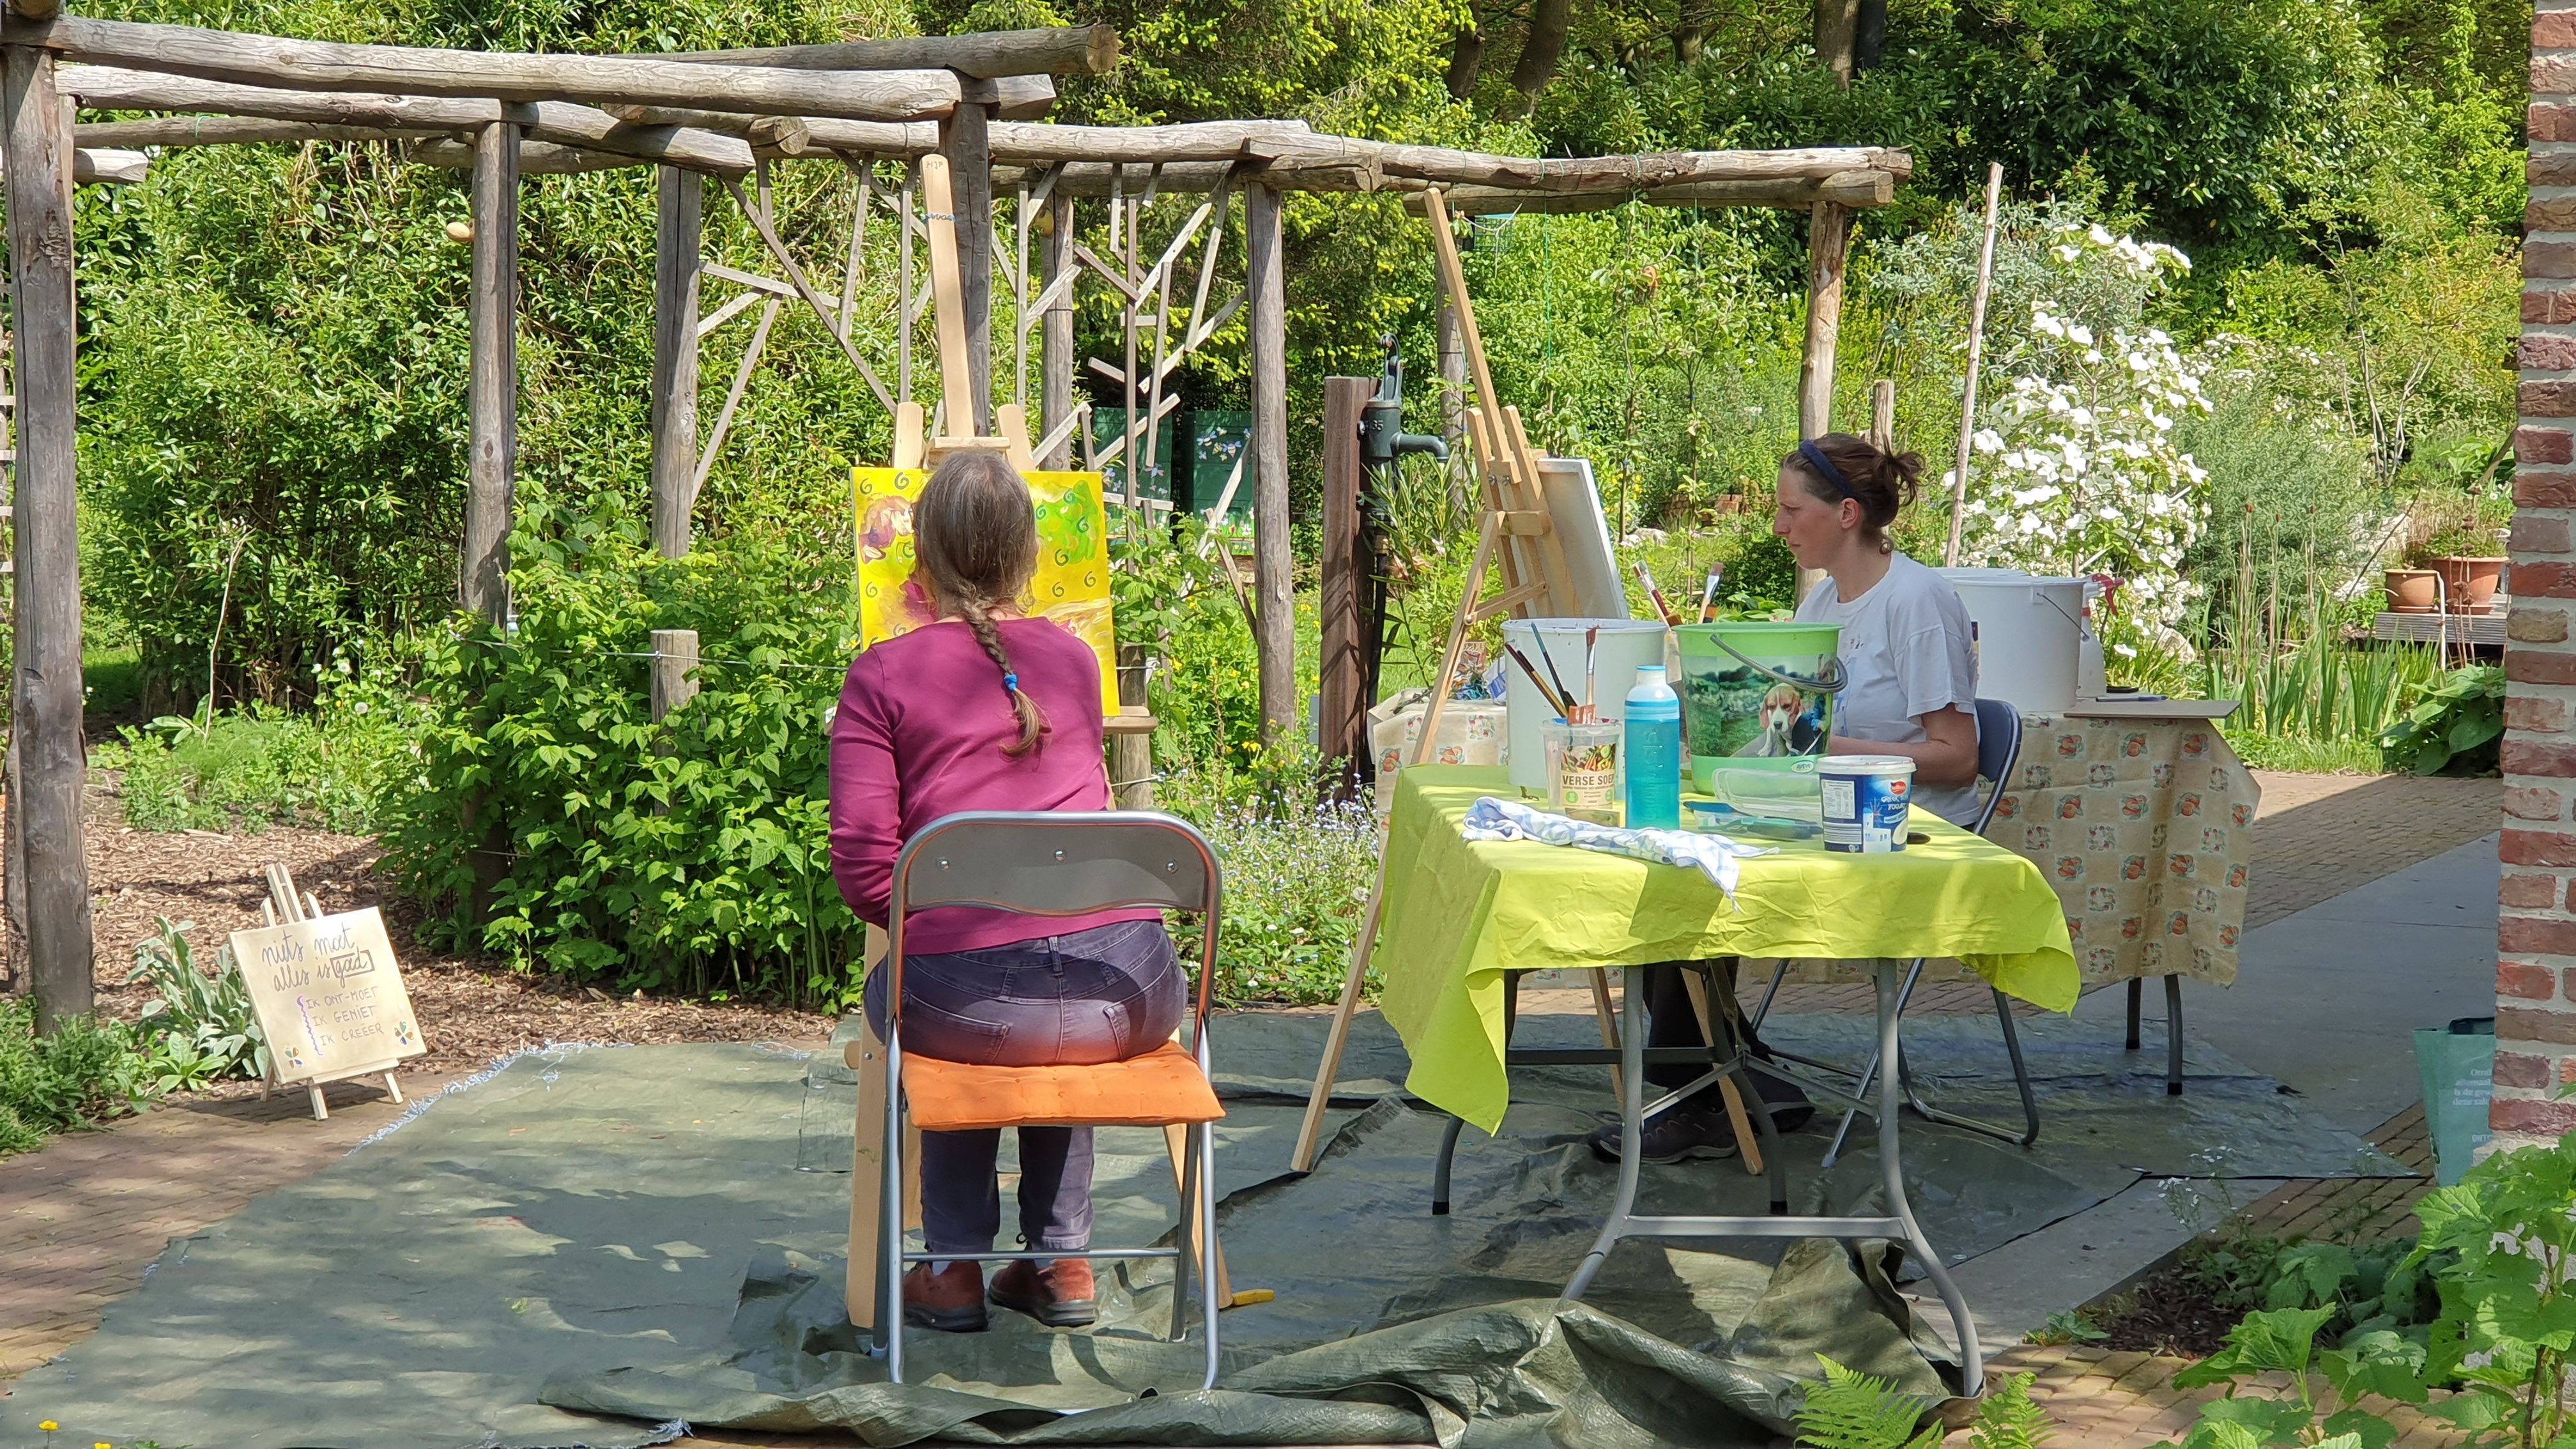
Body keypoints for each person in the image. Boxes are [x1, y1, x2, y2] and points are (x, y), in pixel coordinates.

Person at [828, 450, 1185, 1334]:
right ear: (1028, 555)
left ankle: (951, 1268)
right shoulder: (1071, 661)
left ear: (922, 557)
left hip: (973, 1004)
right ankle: (1062, 1262)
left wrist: (948, 922)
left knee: (928, 989)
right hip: (1133, 993)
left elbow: (868, 875)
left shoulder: (881, 675)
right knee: (1063, 970)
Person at [1591, 432, 1981, 1163]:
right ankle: (1741, 1083)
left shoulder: (1917, 601)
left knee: (1694, 883)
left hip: (1901, 829)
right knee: (1669, 854)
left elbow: (1959, 759)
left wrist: (1829, 751)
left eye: (1789, 509)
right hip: (1828, 805)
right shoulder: (1828, 598)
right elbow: (1801, 723)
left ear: (1846, 514)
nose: (1777, 525)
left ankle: (1698, 1099)